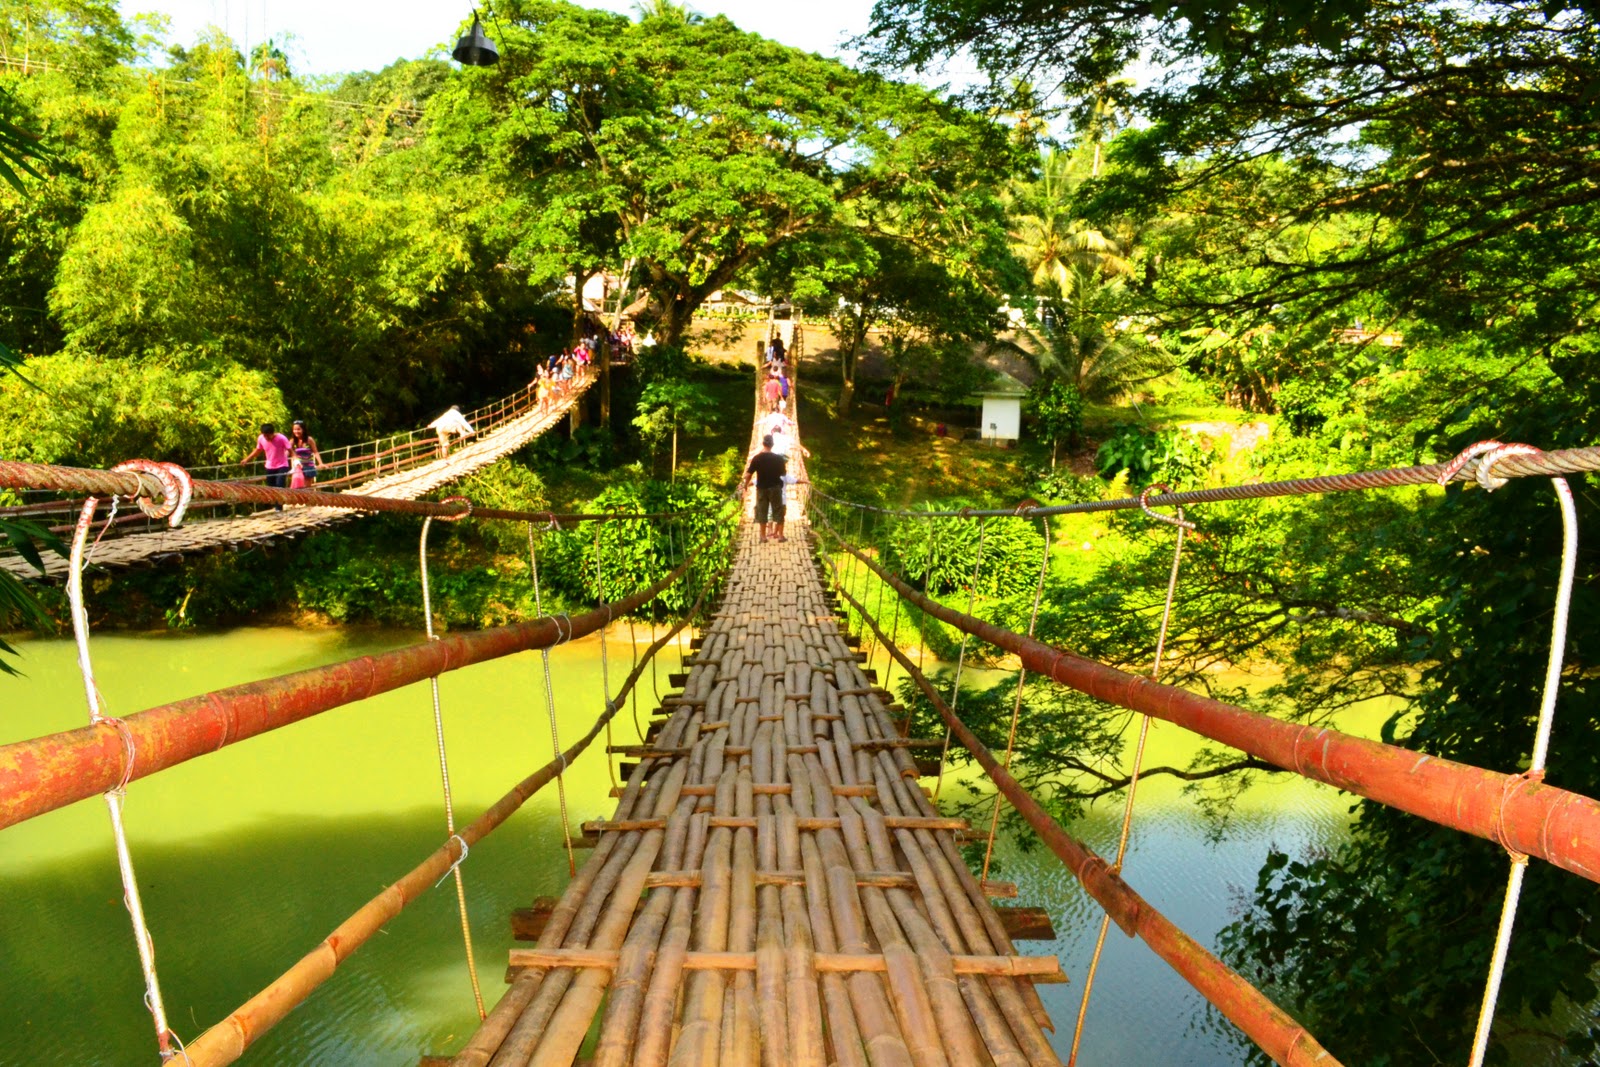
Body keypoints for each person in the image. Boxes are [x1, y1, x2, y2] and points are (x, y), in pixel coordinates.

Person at [740, 434, 788, 543]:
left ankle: (763, 537)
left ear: (763, 443)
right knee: (778, 510)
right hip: (775, 488)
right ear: (772, 444)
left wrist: (745, 487)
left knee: (762, 511)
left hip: (761, 488)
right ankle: (780, 536)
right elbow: (783, 473)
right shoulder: (779, 459)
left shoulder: (756, 458)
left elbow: (748, 475)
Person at [242, 422, 292, 509]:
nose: (266, 438)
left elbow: (290, 449)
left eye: (268, 436)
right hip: (270, 466)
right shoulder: (261, 438)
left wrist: (296, 460)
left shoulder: (281, 438)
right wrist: (247, 459)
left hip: (282, 465)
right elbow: (258, 450)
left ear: (272, 433)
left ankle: (279, 508)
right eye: (264, 436)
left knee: (280, 485)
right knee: (271, 487)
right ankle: (277, 506)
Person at [288, 420, 321, 486]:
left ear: (303, 429)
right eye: (294, 429)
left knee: (307, 487)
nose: (296, 431)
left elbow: (316, 452)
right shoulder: (292, 441)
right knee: (298, 486)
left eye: (298, 429)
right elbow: (287, 451)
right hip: (298, 467)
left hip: (308, 466)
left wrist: (321, 463)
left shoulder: (309, 440)